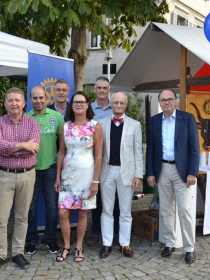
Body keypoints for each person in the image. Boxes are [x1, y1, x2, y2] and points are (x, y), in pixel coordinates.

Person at [0, 88, 41, 272]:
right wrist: (22, 145)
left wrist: (15, 147)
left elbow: (33, 148)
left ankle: (18, 252)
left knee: (22, 217)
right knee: (0, 218)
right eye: (10, 100)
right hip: (4, 175)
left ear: (24, 103)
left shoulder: (33, 123)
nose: (14, 103)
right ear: (5, 103)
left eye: (17, 100)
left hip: (27, 175)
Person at [146, 89, 199, 264]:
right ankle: (169, 243)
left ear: (175, 101)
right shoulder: (154, 121)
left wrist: (192, 172)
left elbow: (194, 148)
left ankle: (189, 248)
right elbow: (151, 149)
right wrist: (151, 172)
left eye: (170, 99)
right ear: (159, 102)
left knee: (184, 210)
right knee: (165, 209)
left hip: (181, 171)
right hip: (162, 169)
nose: (167, 102)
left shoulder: (187, 118)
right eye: (163, 100)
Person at [54, 91, 103, 262]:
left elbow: (99, 156)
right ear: (71, 105)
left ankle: (79, 247)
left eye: (82, 102)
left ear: (88, 105)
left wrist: (95, 181)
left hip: (87, 176)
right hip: (67, 177)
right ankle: (66, 246)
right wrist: (58, 176)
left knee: (83, 213)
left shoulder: (95, 126)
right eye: (75, 102)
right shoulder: (65, 126)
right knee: (62, 212)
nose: (79, 105)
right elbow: (61, 152)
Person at [97, 92, 143, 258]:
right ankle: (107, 244)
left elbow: (138, 152)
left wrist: (138, 175)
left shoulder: (135, 125)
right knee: (107, 210)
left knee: (125, 211)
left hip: (127, 173)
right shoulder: (101, 124)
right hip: (107, 171)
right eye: (115, 102)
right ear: (111, 104)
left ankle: (125, 243)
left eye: (121, 103)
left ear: (125, 105)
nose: (118, 105)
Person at [25, 86, 64, 255]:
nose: (38, 101)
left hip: (50, 169)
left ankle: (51, 239)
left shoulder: (56, 117)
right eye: (35, 98)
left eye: (41, 98)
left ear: (46, 98)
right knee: (30, 208)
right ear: (30, 99)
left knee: (52, 208)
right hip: (30, 169)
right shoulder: (25, 118)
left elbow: (62, 147)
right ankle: (31, 240)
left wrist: (58, 174)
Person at [86, 76, 120, 247]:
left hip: (113, 157)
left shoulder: (116, 106)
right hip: (93, 157)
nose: (101, 90)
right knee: (96, 196)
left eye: (104, 88)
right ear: (94, 90)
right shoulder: (89, 109)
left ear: (109, 90)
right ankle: (95, 231)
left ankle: (115, 231)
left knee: (114, 196)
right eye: (98, 87)